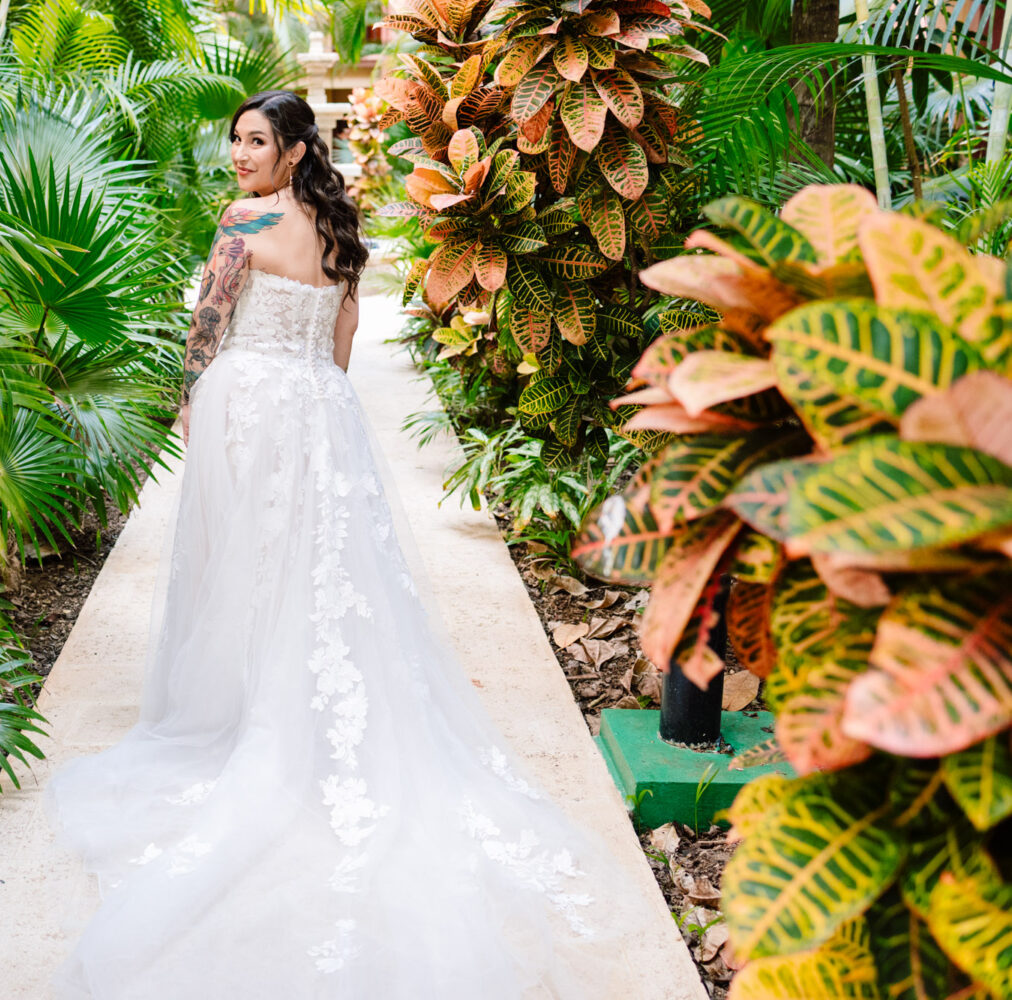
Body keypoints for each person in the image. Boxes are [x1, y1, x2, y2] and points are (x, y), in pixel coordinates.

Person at [43, 90, 639, 999]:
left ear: (290, 152)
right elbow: (346, 331)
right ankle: (299, 701)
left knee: (245, 566)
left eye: (256, 142)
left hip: (249, 403)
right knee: (324, 573)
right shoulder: (338, 221)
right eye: (235, 140)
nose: (239, 155)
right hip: (320, 409)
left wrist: (197, 402)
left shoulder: (243, 220)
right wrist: (319, 405)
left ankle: (245, 712)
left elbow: (206, 327)